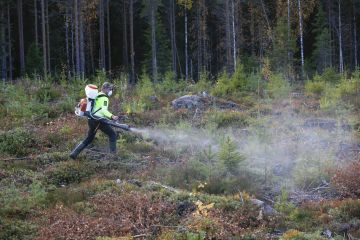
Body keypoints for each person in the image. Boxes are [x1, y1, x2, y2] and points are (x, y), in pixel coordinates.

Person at [70, 82, 119, 159]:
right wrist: (112, 116)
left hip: (91, 119)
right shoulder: (104, 98)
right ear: (105, 89)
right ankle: (113, 156)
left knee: (89, 138)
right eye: (110, 89)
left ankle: (74, 153)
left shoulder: (96, 95)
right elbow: (103, 110)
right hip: (99, 121)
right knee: (112, 134)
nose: (111, 91)